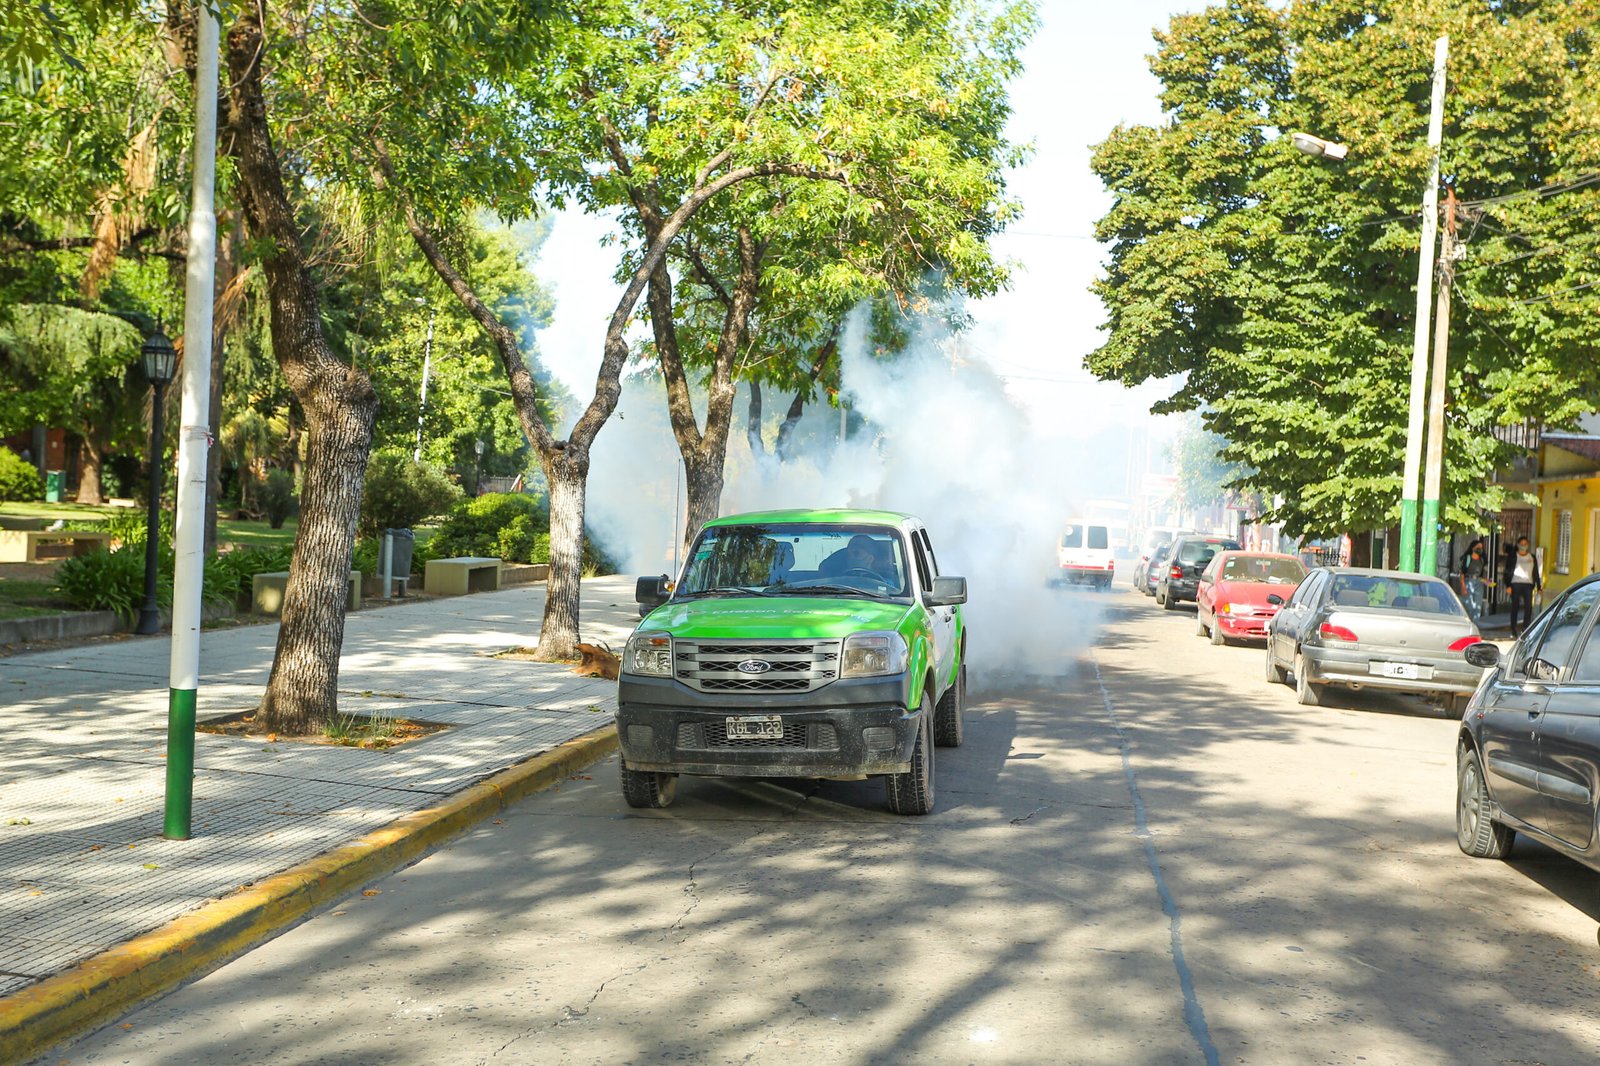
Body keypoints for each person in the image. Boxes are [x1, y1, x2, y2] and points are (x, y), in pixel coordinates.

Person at [1503, 536, 1542, 638]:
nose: (1524, 546)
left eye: (1526, 544)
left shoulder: (1532, 557)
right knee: (1515, 607)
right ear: (1518, 545)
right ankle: (1513, 630)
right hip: (1515, 583)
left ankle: (1525, 629)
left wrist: (1539, 587)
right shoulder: (1513, 556)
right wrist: (1507, 585)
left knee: (1528, 607)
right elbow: (1507, 571)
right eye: (1522, 543)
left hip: (1528, 585)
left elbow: (1536, 572)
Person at [1458, 539, 1488, 620]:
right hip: (1468, 581)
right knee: (1469, 606)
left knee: (1478, 606)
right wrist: (1463, 586)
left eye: (1481, 547)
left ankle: (1476, 624)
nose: (1480, 549)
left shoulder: (1482, 559)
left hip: (1479, 582)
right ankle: (1469, 622)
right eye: (1478, 547)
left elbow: (1482, 574)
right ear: (1472, 548)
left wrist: (1486, 581)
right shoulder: (1467, 558)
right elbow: (1462, 573)